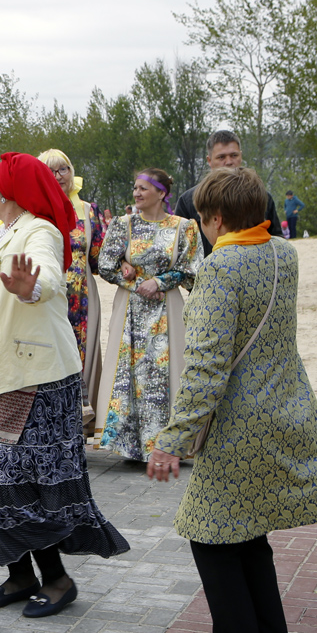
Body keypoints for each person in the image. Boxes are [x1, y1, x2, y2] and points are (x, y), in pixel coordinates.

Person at [147, 166, 317, 633]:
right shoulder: (282, 253)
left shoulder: (222, 266)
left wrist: (172, 441)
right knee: (248, 537)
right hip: (284, 409)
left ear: (216, 218)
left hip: (238, 425)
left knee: (210, 535)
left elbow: (206, 367)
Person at [0, 153, 130, 617]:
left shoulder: (40, 230)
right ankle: (19, 575)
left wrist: (30, 288)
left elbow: (46, 272)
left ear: (10, 192)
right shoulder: (4, 229)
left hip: (37, 382)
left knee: (24, 485)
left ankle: (59, 581)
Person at [96, 168, 202, 460]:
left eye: (143, 188)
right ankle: (133, 446)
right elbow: (105, 263)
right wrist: (133, 281)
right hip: (131, 309)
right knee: (130, 373)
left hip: (167, 307)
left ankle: (168, 445)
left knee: (167, 373)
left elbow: (193, 270)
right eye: (135, 188)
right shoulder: (123, 224)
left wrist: (160, 282)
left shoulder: (184, 227)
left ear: (162, 193)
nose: (137, 193)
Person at [38, 149, 106, 425]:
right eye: (50, 171)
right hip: (47, 295)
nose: (58, 176)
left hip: (82, 295)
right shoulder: (35, 210)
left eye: (63, 169)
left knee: (82, 355)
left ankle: (82, 421)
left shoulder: (88, 211)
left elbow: (99, 258)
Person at [173, 130, 282, 252]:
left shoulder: (261, 196)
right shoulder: (189, 201)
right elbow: (178, 246)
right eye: (221, 157)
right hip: (208, 268)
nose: (229, 161)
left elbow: (276, 238)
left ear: (241, 156)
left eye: (234, 155)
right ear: (209, 160)